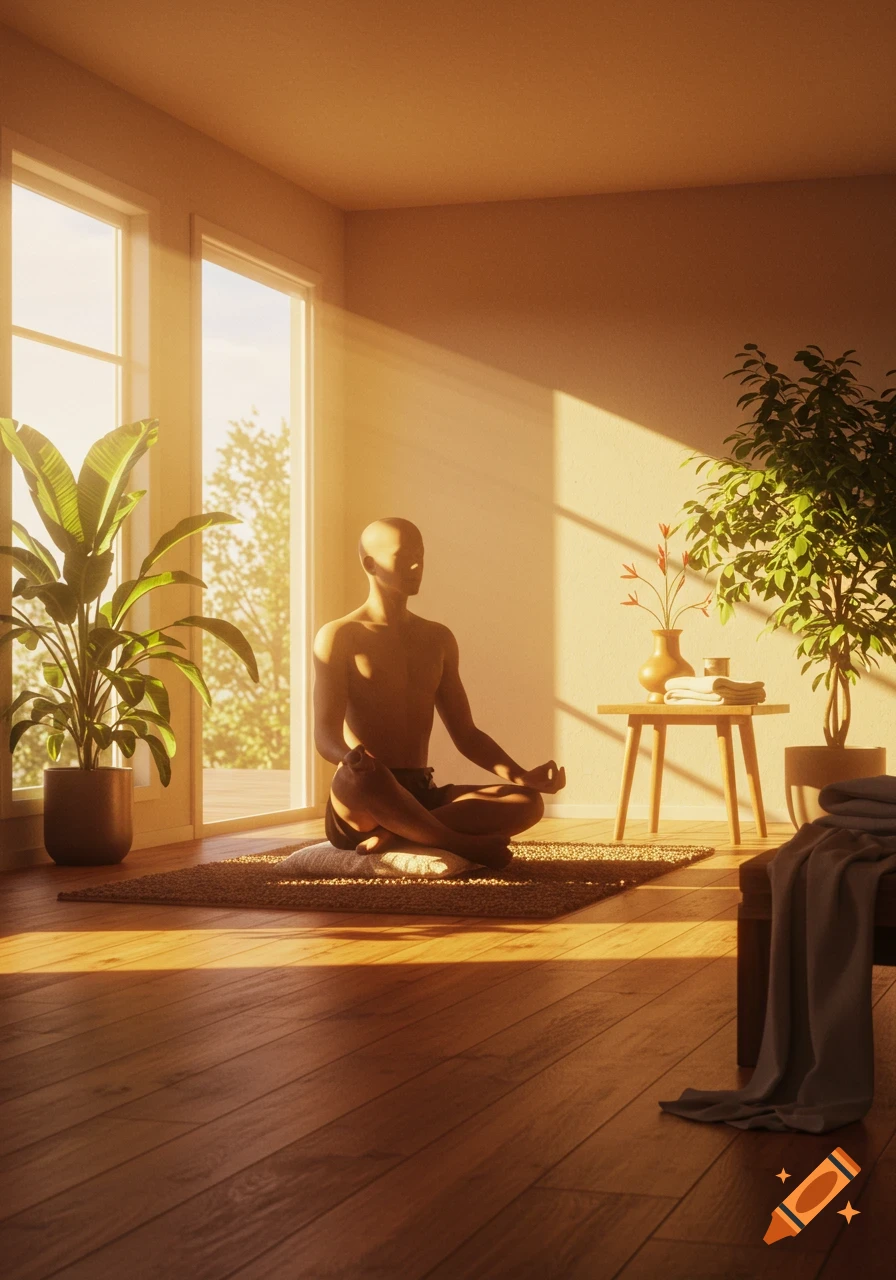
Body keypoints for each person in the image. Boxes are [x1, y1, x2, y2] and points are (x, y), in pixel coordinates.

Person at [313, 517, 565, 869]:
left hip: (421, 792)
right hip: (364, 793)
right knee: (364, 778)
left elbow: (466, 734)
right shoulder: (340, 635)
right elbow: (324, 735)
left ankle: (399, 835)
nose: (416, 567)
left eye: (420, 556)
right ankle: (459, 843)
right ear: (370, 564)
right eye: (403, 558)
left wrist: (522, 776)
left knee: (527, 802)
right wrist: (351, 759)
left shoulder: (438, 639)